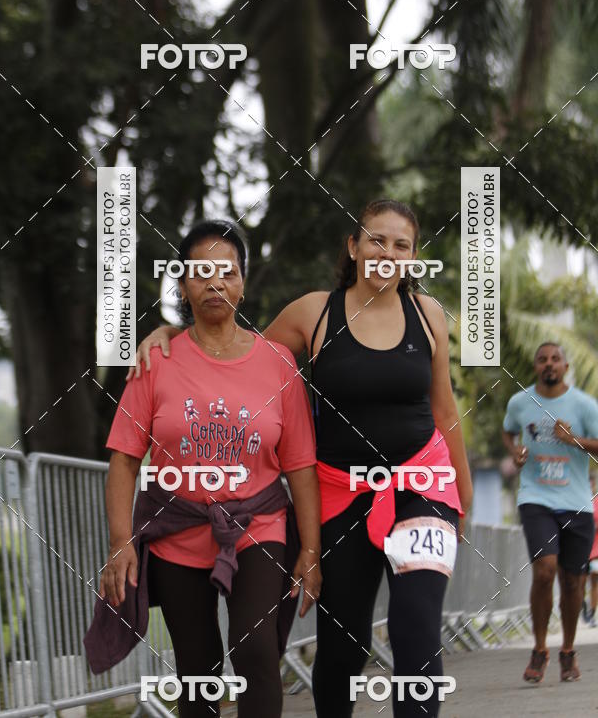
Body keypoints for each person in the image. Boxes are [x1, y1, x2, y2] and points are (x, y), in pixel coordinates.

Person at [131, 200, 473, 717]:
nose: (387, 253)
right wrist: (170, 336)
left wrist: (461, 495)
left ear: (413, 257)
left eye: (401, 244)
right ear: (353, 248)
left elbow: (445, 411)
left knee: (417, 633)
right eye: (376, 240)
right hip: (339, 494)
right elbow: (232, 354)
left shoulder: (428, 318)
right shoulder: (313, 313)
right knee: (345, 644)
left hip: (423, 487)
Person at [95, 220, 321, 718]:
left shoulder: (279, 364)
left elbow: (301, 467)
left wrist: (310, 549)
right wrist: (120, 542)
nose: (215, 282)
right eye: (202, 272)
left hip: (259, 526)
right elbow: (125, 459)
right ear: (181, 283)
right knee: (197, 668)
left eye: (228, 272)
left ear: (242, 283)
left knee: (256, 651)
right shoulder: (156, 360)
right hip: (178, 531)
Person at [502, 342, 598, 683]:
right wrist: (515, 453)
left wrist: (575, 442)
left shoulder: (585, 406)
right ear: (535, 366)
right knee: (545, 571)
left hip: (576, 502)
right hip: (535, 497)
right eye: (542, 359)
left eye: (555, 359)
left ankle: (568, 651)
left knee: (573, 582)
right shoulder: (519, 402)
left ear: (566, 366)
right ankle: (539, 649)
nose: (549, 364)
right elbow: (508, 430)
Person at [581, 472, 598, 627]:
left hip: (595, 549)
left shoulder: (596, 502)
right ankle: (583, 608)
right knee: (580, 582)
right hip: (580, 548)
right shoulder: (578, 502)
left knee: (595, 579)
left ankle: (592, 613)